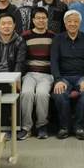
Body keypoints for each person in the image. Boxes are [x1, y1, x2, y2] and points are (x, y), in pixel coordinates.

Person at [51, 10, 84, 140]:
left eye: (76, 21)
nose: (72, 24)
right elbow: (54, 61)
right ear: (65, 23)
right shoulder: (57, 39)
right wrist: (58, 80)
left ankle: (79, 126)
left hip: (82, 76)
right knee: (59, 93)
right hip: (63, 77)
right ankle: (64, 127)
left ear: (80, 23)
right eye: (69, 21)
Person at [20, 7, 55, 140]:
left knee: (42, 94)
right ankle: (26, 127)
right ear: (33, 20)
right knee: (26, 93)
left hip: (47, 74)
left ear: (47, 20)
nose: (41, 20)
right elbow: (21, 58)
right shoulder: (25, 36)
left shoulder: (53, 36)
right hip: (30, 73)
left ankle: (42, 125)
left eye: (43, 18)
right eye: (38, 18)